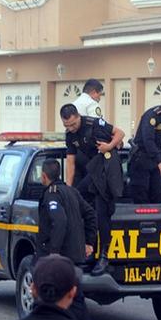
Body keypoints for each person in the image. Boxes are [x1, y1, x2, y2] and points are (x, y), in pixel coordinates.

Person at [60, 104, 125, 276]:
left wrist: (109, 146)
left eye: (73, 124)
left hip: (106, 168)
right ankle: (88, 250)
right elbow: (71, 162)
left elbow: (120, 133)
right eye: (67, 126)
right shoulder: (70, 135)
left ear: (78, 116)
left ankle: (104, 255)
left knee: (101, 212)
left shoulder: (94, 123)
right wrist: (68, 187)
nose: (71, 128)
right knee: (81, 203)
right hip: (93, 170)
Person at [37, 159, 97, 320]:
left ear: (43, 176)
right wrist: (89, 242)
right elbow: (91, 214)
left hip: (62, 258)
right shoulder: (72, 192)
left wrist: (54, 252)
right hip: (76, 256)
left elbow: (60, 221)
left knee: (55, 297)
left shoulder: (52, 194)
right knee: (75, 296)